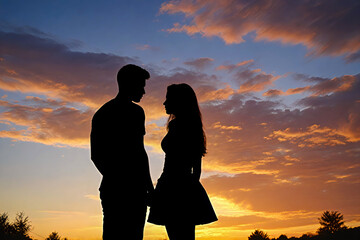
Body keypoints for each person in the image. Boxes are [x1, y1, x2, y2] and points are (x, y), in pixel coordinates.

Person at [90, 64, 154, 240]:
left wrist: (148, 189)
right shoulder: (119, 113)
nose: (143, 92)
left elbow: (140, 153)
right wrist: (125, 182)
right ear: (129, 84)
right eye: (141, 86)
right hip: (122, 190)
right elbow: (97, 155)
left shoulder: (108, 113)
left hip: (128, 189)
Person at [148, 83, 217, 240]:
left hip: (172, 187)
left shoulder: (178, 126)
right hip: (182, 187)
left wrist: (165, 190)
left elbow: (175, 166)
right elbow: (196, 170)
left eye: (168, 99)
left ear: (179, 101)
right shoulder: (192, 126)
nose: (164, 103)